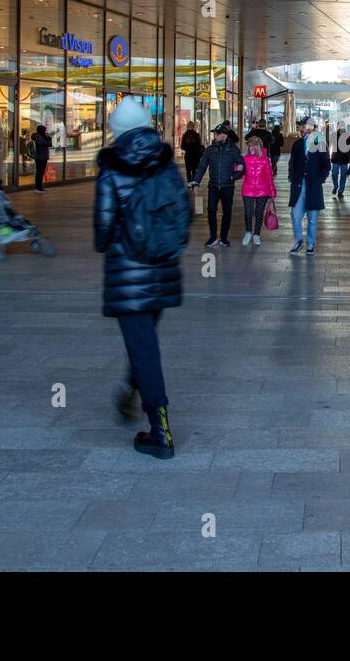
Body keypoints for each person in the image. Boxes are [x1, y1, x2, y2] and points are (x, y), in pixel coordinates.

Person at [94, 96, 189, 460]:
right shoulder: (167, 165)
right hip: (163, 270)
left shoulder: (112, 169)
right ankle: (130, 393)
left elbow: (103, 230)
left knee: (144, 348)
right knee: (143, 342)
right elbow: (182, 216)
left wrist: (119, 240)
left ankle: (160, 431)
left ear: (117, 131)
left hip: (127, 273)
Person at [190, 126, 244, 248]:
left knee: (227, 212)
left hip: (228, 187)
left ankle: (224, 238)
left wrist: (233, 177)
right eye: (214, 133)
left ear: (224, 136)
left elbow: (242, 166)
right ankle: (213, 237)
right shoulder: (210, 150)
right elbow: (202, 166)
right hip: (213, 186)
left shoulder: (233, 150)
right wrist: (196, 182)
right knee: (211, 211)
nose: (214, 136)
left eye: (216, 134)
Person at [288, 116, 330, 254]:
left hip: (313, 185)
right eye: (301, 126)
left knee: (312, 218)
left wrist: (320, 179)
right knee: (295, 214)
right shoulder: (298, 144)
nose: (301, 128)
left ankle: (310, 244)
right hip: (299, 185)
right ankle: (298, 241)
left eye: (303, 126)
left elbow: (326, 164)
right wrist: (293, 177)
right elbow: (292, 162)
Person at [239, 132, 276, 245]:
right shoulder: (244, 159)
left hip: (263, 190)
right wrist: (237, 168)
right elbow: (240, 173)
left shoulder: (265, 160)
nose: (252, 147)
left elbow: (269, 176)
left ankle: (256, 234)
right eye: (250, 145)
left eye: (254, 145)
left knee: (259, 213)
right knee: (248, 213)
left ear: (259, 146)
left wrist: (272, 191)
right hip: (248, 189)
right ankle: (248, 232)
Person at [330, 128, 350, 200]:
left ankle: (340, 191)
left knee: (343, 176)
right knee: (334, 173)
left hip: (345, 159)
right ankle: (335, 186)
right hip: (336, 158)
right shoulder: (334, 136)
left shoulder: (348, 137)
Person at [31, 124, 52, 192]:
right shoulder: (40, 137)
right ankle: (38, 188)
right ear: (42, 131)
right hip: (41, 157)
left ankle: (38, 187)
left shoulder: (37, 136)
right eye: (44, 130)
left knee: (39, 172)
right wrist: (49, 137)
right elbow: (48, 144)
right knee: (40, 172)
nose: (45, 132)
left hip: (39, 157)